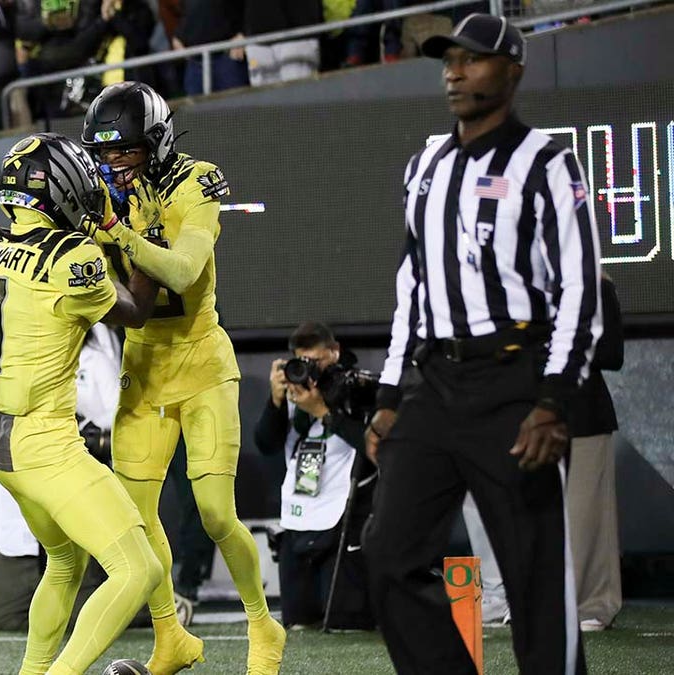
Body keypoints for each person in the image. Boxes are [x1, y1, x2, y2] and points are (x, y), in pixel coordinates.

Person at [362, 15, 601, 675]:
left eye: (473, 60)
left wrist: (555, 399)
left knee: (534, 580)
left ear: (513, 72)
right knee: (388, 551)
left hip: (513, 383)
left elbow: (579, 288)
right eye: (448, 61)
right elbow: (413, 284)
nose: (455, 72)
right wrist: (388, 395)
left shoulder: (548, 162)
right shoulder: (426, 165)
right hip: (435, 384)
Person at [81, 81, 286, 674]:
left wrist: (118, 232)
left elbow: (184, 267)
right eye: (105, 152)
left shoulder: (195, 180)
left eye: (126, 151)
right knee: (136, 517)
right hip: (141, 365)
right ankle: (169, 634)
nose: (114, 163)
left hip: (199, 361)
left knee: (217, 512)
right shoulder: (98, 188)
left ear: (157, 142)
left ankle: (261, 623)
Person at [0, 132, 161, 675]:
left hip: (0, 436)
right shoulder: (71, 256)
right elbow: (136, 309)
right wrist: (144, 237)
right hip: (46, 441)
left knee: (65, 560)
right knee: (138, 570)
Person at [0, 322, 121, 631]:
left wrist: (86, 425)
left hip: (73, 476)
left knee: (87, 616)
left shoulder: (95, 361)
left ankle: (155, 607)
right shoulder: (16, 363)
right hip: (27, 490)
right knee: (1, 615)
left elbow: (118, 416)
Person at [253, 322, 376, 631]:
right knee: (298, 621)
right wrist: (276, 401)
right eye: (301, 360)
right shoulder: (295, 392)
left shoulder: (356, 388)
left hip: (344, 513)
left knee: (346, 621)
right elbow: (265, 443)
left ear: (334, 353)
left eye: (315, 361)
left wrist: (323, 412)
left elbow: (373, 446)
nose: (307, 368)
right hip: (300, 513)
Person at [567, 275, 623, 632]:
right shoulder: (522, 280)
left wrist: (557, 344)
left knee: (587, 516)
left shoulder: (596, 284)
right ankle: (543, 602)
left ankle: (594, 605)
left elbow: (612, 354)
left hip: (583, 414)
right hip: (527, 413)